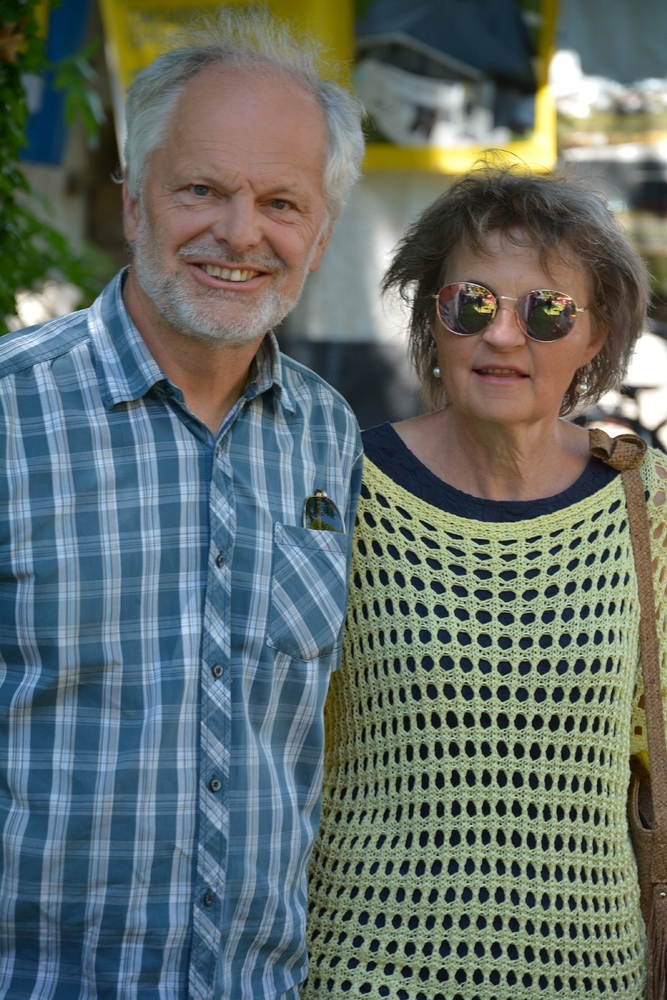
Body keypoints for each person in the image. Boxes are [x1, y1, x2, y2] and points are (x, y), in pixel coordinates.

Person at [0, 9, 365, 998]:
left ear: (319, 237)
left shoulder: (328, 439)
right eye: (201, 189)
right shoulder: (10, 412)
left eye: (280, 202)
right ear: (133, 202)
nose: (240, 233)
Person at [304, 167, 667, 999]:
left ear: (596, 335)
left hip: (587, 978)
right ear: (431, 318)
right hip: (366, 973)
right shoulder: (342, 490)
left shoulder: (644, 503)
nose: (502, 335)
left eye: (546, 312)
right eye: (470, 303)